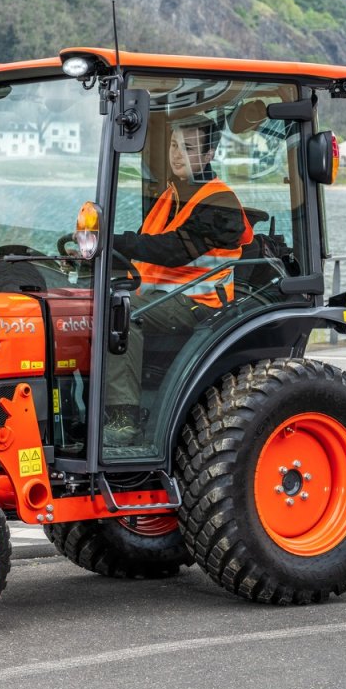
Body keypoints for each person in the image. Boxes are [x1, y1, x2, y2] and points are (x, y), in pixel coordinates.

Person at [104, 113, 253, 444]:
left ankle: (121, 420)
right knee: (85, 302)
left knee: (122, 312)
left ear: (208, 154)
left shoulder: (219, 201)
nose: (176, 154)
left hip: (199, 304)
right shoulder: (172, 195)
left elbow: (173, 250)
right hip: (161, 297)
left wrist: (112, 240)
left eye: (187, 147)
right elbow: (148, 250)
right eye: (173, 145)